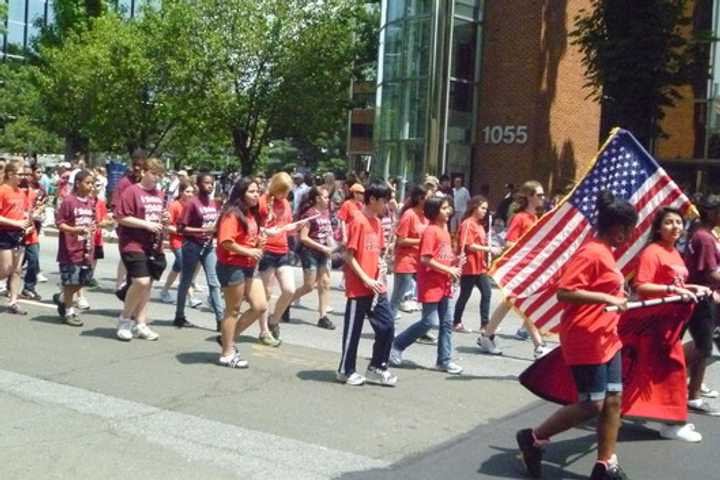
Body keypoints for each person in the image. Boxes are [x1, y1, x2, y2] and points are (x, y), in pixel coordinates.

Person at [516, 191, 637, 480]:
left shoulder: (606, 252)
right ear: (618, 229)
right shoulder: (591, 251)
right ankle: (533, 438)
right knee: (592, 404)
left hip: (608, 337)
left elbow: (605, 289)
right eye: (628, 230)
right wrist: (604, 297)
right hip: (586, 337)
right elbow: (565, 292)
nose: (630, 236)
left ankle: (605, 464)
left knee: (613, 401)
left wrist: (619, 294)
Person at [633, 207, 709, 442]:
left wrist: (691, 288)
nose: (676, 226)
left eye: (678, 222)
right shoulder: (651, 252)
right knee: (673, 372)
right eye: (669, 222)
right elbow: (641, 286)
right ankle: (672, 422)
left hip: (672, 324)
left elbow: (676, 283)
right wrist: (672, 289)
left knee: (661, 373)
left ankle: (668, 418)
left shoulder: (675, 252)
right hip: (653, 324)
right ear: (657, 228)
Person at [477, 180, 551, 358]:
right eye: (539, 195)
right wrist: (529, 249)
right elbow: (509, 242)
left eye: (542, 195)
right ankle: (538, 344)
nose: (543, 198)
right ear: (529, 197)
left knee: (513, 302)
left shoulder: (534, 217)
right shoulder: (520, 217)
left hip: (531, 267)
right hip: (521, 267)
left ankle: (487, 336)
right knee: (523, 303)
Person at [390, 195, 463, 374]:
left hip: (444, 283)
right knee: (429, 321)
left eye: (449, 208)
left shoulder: (444, 231)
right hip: (431, 283)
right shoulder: (431, 231)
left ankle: (444, 360)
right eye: (445, 208)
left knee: (446, 323)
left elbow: (444, 257)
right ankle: (397, 345)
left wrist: (456, 262)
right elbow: (425, 259)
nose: (449, 211)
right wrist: (449, 270)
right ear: (435, 211)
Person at [337, 181, 397, 386]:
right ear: (372, 200)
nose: (386, 205)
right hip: (359, 286)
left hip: (376, 286)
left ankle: (377, 366)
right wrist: (365, 278)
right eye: (383, 201)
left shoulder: (378, 224)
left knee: (387, 325)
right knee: (353, 331)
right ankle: (345, 370)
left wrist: (381, 265)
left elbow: (377, 252)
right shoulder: (358, 222)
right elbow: (348, 255)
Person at [215, 177, 268, 369]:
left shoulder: (251, 214)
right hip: (232, 265)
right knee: (233, 309)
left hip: (248, 265)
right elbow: (226, 242)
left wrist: (258, 244)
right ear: (241, 193)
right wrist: (249, 251)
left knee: (260, 305)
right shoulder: (232, 214)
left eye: (257, 191)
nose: (256, 195)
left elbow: (247, 239)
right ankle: (227, 353)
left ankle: (227, 339)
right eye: (252, 192)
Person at [114, 158, 168, 342]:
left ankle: (141, 323)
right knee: (141, 282)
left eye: (160, 175)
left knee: (147, 286)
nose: (157, 178)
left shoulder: (159, 194)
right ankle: (124, 320)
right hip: (133, 243)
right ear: (144, 171)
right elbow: (121, 216)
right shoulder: (132, 191)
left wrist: (164, 220)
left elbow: (158, 218)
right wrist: (145, 224)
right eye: (154, 173)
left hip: (153, 245)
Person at [683, 195, 720, 416]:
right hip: (703, 298)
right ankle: (693, 395)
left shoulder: (707, 235)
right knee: (703, 346)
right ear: (712, 212)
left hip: (709, 297)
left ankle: (695, 383)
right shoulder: (704, 238)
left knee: (706, 346)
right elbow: (710, 273)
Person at [173, 173, 224, 330]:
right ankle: (179, 315)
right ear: (199, 185)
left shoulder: (213, 204)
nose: (210, 185)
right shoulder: (192, 204)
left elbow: (215, 226)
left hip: (208, 247)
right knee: (186, 281)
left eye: (212, 183)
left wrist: (215, 231)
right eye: (206, 183)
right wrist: (203, 230)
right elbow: (181, 228)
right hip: (192, 246)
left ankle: (220, 319)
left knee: (214, 282)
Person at [256, 172, 297, 346]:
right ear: (276, 189)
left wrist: (294, 227)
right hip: (267, 251)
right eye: (283, 192)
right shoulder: (263, 201)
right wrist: (266, 231)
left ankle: (274, 320)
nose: (285, 196)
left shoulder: (286, 203)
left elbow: (287, 226)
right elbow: (255, 226)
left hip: (283, 250)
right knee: (266, 293)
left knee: (289, 290)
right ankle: (264, 330)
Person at [52, 170, 97, 327]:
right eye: (88, 183)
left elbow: (93, 221)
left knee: (84, 280)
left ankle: (63, 298)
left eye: (92, 183)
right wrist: (75, 230)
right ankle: (69, 311)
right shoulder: (69, 201)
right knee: (71, 281)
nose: (91, 186)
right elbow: (60, 224)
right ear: (78, 183)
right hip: (70, 249)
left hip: (86, 248)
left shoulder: (91, 202)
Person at [291, 186, 335, 329]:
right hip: (310, 252)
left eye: (328, 197)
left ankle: (323, 316)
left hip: (323, 253)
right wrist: (322, 247)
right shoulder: (309, 214)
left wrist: (333, 247)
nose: (328, 200)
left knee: (325, 283)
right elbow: (303, 237)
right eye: (325, 197)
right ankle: (286, 302)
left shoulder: (325, 213)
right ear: (317, 198)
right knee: (309, 286)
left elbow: (327, 233)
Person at [453, 196, 495, 333]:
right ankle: (456, 321)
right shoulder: (468, 223)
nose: (485, 211)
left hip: (480, 265)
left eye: (486, 209)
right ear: (474, 207)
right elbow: (469, 245)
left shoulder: (479, 224)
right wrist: (488, 249)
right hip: (470, 265)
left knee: (487, 293)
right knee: (465, 295)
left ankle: (485, 324)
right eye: (482, 208)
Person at [0, 159, 33, 314]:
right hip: (4, 232)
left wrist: (28, 224)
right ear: (10, 174)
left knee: (17, 269)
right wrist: (16, 223)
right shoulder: (2, 190)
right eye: (19, 174)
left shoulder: (21, 192)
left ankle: (13, 301)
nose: (22, 177)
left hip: (19, 233)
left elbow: (25, 212)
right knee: (6, 269)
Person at [390, 185, 429, 316]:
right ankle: (387, 328)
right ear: (420, 199)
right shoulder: (409, 215)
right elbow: (401, 240)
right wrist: (421, 242)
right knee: (397, 297)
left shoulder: (425, 216)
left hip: (421, 262)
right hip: (406, 261)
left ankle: (424, 327)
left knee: (426, 296)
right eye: (428, 198)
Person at [112, 149, 146, 292]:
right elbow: (116, 206)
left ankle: (129, 286)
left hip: (145, 230)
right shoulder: (125, 182)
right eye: (134, 164)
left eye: (140, 164)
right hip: (128, 229)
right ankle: (121, 285)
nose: (137, 168)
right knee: (129, 256)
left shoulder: (149, 183)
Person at [160, 180, 195, 304]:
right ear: (181, 192)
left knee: (178, 266)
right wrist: (180, 232)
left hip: (189, 241)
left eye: (192, 192)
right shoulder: (174, 206)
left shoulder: (193, 206)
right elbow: (166, 226)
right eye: (187, 191)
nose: (190, 194)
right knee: (185, 266)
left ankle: (164, 291)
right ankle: (191, 297)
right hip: (176, 241)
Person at [20, 163, 46, 301]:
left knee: (34, 260)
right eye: (24, 174)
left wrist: (38, 212)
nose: (27, 177)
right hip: (14, 231)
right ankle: (8, 285)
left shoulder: (39, 190)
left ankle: (29, 288)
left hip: (31, 231)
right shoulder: (15, 190)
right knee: (13, 265)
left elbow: (40, 206)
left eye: (29, 174)